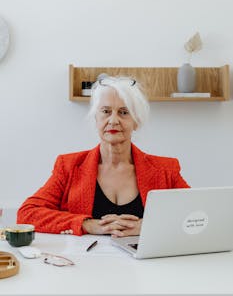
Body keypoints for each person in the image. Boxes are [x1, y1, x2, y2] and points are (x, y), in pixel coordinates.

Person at [17, 75, 190, 237]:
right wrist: (87, 224)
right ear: (96, 118)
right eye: (106, 111)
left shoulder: (165, 169)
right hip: (85, 266)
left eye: (123, 112)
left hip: (147, 265)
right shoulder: (68, 166)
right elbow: (27, 213)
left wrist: (149, 225)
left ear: (136, 122)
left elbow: (195, 214)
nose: (113, 120)